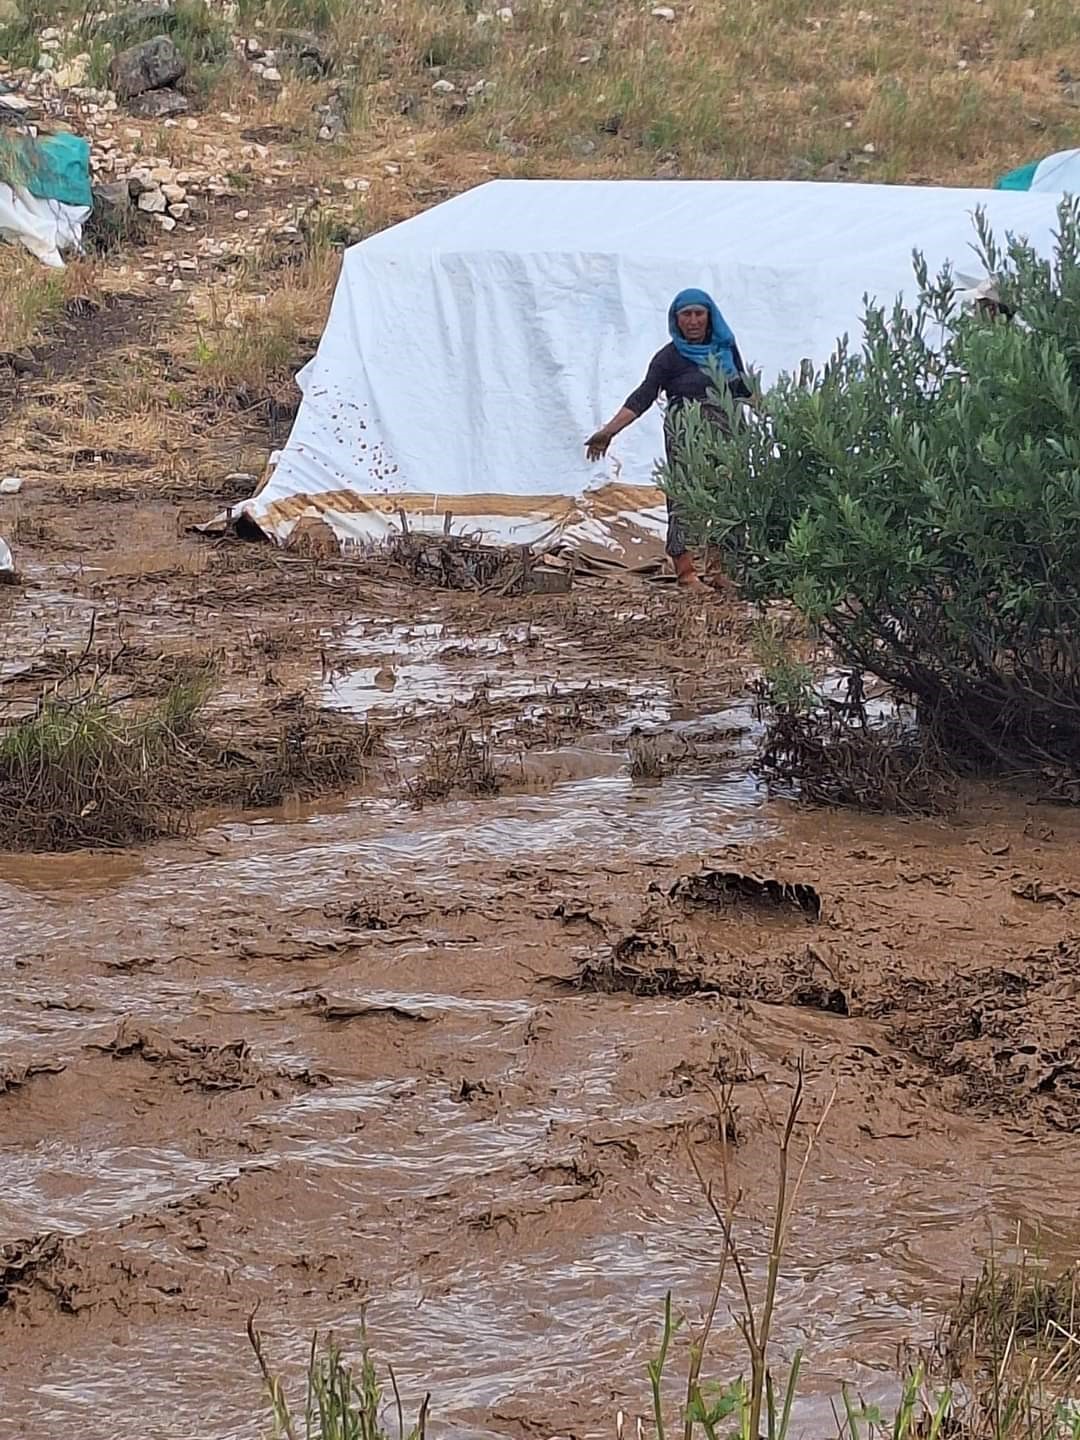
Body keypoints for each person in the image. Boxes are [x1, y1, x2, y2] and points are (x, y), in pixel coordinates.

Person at [586, 287, 752, 589]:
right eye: (685, 314)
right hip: (686, 433)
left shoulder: (725, 349)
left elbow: (744, 388)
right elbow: (642, 397)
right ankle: (686, 572)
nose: (692, 321)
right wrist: (609, 431)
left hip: (727, 430)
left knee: (729, 495)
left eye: (698, 313)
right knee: (685, 496)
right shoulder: (669, 358)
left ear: (709, 316)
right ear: (676, 319)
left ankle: (718, 569)